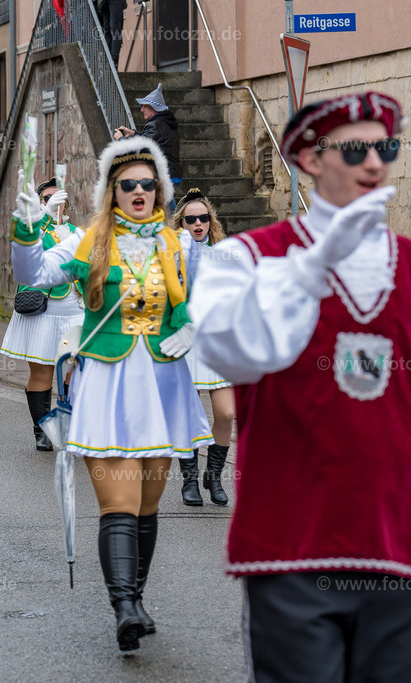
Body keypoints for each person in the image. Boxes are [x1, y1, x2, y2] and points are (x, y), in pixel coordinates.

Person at [190, 91, 411, 680]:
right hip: (291, 551)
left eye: (386, 148)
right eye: (357, 148)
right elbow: (227, 347)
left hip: (399, 551)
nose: (375, 164)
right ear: (311, 159)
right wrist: (311, 268)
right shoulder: (245, 259)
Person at [11, 136, 212, 651]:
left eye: (149, 183)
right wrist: (27, 228)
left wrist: (191, 326)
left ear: (160, 189)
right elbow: (33, 276)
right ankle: (123, 607)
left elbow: (199, 302)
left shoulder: (177, 244)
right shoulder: (88, 242)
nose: (140, 190)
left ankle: (137, 598)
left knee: (147, 505)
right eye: (129, 184)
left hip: (165, 384)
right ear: (112, 191)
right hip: (109, 384)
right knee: (118, 503)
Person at [1, 176, 86, 450]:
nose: (53, 202)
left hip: (76, 311)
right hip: (43, 311)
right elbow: (28, 254)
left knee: (79, 371)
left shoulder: (77, 231)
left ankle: (69, 424)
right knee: (42, 374)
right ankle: (41, 429)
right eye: (47, 198)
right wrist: (44, 218)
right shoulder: (34, 228)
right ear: (40, 203)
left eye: (57, 198)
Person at [170, 188, 234, 506]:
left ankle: (214, 475)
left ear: (211, 220)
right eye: (191, 219)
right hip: (184, 339)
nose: (198, 224)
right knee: (187, 413)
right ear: (181, 222)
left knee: (226, 412)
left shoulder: (224, 253)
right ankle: (190, 480)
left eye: (203, 218)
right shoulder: (172, 255)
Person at [114, 84, 183, 208]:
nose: (141, 110)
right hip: (172, 172)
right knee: (164, 206)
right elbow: (151, 140)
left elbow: (142, 148)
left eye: (144, 106)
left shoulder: (156, 124)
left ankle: (172, 226)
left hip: (164, 174)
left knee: (166, 210)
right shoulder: (164, 122)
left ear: (153, 107)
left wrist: (121, 139)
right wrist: (134, 133)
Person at [97, 0, 127, 68]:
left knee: (115, 29)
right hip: (103, 2)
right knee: (107, 31)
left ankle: (114, 60)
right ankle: (107, 60)